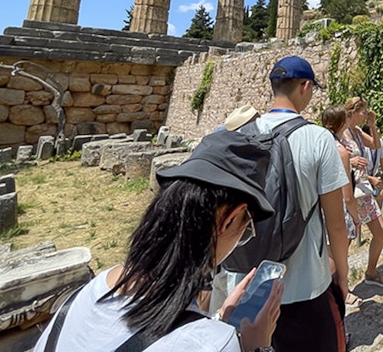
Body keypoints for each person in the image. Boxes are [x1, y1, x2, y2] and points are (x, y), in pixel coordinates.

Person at [34, 130, 284, 352]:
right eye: (246, 228)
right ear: (229, 220)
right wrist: (258, 347)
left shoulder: (91, 290)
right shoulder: (215, 344)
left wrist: (215, 320)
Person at [237, 56, 351, 352]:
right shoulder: (319, 139)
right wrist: (342, 275)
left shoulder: (242, 135)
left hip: (250, 286)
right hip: (305, 284)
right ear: (304, 85)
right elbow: (336, 225)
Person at [341, 96, 383, 289]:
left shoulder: (356, 131)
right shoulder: (340, 132)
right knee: (344, 242)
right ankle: (340, 286)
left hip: (363, 190)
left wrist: (372, 125)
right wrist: (350, 161)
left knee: (381, 231)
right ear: (353, 112)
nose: (366, 115)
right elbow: (331, 156)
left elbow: (376, 145)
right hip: (348, 192)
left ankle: (371, 271)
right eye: (364, 112)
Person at [321, 105, 363, 308]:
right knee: (338, 257)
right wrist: (356, 218)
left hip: (320, 209)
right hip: (338, 210)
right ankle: (341, 294)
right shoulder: (341, 152)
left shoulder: (319, 145)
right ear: (341, 123)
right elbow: (348, 196)